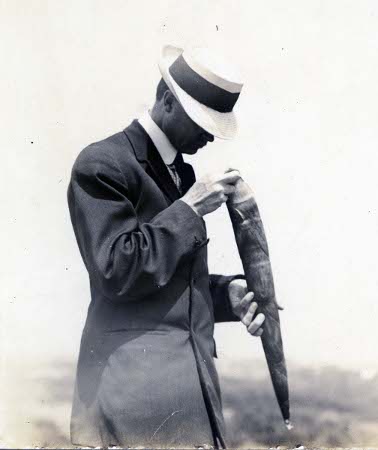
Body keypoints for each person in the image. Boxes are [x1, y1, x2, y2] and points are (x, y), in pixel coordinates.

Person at [67, 45, 266, 449]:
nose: (209, 135)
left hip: (191, 397)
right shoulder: (103, 164)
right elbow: (115, 271)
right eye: (202, 122)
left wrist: (225, 294)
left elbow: (167, 282)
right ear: (168, 101)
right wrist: (188, 210)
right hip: (131, 402)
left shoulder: (180, 173)